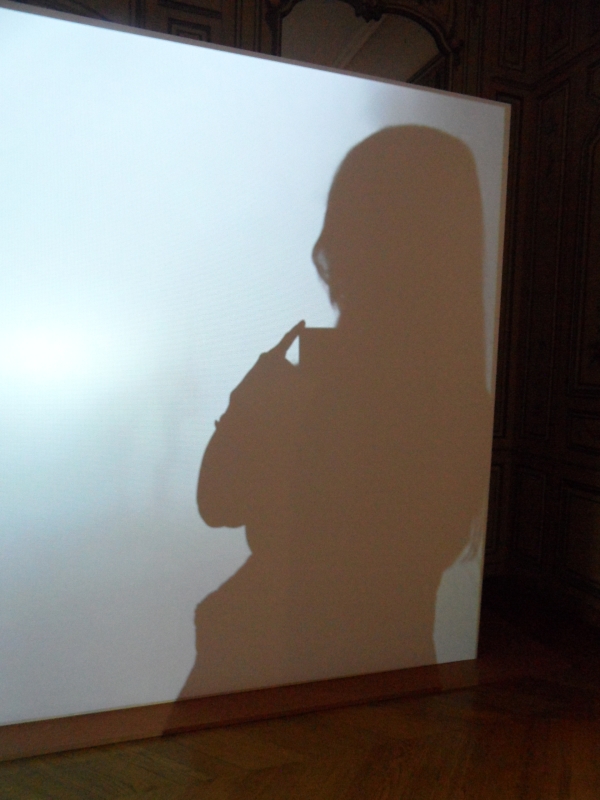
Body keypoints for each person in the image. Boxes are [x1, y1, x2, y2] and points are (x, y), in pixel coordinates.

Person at [176, 125, 491, 700]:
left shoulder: (305, 390)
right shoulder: (464, 400)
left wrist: (253, 398)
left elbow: (216, 503)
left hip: (264, 676)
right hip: (398, 673)